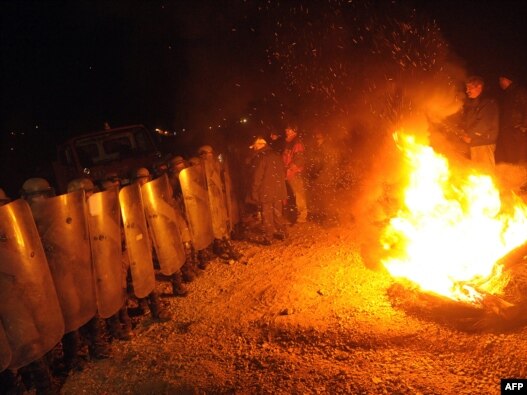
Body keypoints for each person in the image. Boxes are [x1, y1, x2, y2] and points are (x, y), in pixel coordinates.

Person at [249, 137, 288, 245]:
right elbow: (282, 172)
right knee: (277, 213)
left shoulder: (261, 157)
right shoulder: (276, 155)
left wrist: (254, 191)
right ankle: (282, 233)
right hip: (278, 190)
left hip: (265, 191)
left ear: (260, 145)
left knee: (267, 215)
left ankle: (269, 238)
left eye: (255, 146)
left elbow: (257, 176)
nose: (254, 148)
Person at [494, 71, 527, 191]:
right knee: (510, 158)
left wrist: (523, 127)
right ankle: (515, 185)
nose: (500, 82)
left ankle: (523, 185)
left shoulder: (520, 91)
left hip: (517, 132)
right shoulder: (506, 94)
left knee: (520, 159)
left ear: (508, 79)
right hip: (507, 132)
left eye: (501, 79)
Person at [460, 75, 499, 169]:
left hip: (484, 143)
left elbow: (484, 124)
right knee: (477, 172)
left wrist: (470, 136)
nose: (467, 91)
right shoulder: (474, 103)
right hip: (475, 143)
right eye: (466, 88)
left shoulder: (488, 102)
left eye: (470, 88)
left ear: (479, 87)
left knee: (486, 172)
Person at [282, 126, 308, 223]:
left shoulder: (297, 143)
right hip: (287, 174)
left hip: (295, 174)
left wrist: (290, 169)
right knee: (291, 196)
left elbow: (299, 159)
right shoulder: (288, 143)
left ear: (294, 131)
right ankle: (292, 216)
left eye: (288, 129)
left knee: (299, 194)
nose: (286, 131)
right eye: (286, 129)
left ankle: (302, 216)